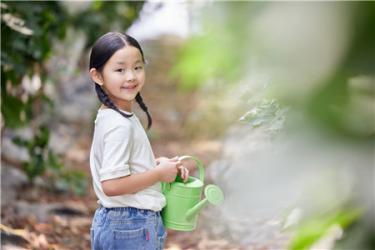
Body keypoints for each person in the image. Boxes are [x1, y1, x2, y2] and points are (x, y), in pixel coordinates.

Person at [88, 32, 189, 250]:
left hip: (119, 221)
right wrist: (158, 174)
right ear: (98, 76)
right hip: (130, 225)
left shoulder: (110, 116)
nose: (131, 76)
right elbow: (112, 185)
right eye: (119, 69)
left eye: (137, 67)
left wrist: (158, 164)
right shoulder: (119, 125)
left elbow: (123, 165)